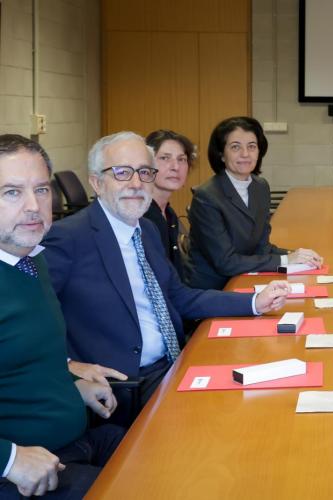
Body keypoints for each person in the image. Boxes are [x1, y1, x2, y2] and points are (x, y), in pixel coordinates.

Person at [42, 131, 290, 426]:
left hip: (173, 365)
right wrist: (69, 366)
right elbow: (31, 321)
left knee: (265, 403)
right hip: (124, 387)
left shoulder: (146, 230)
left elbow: (180, 296)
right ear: (96, 182)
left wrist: (254, 302)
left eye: (144, 172)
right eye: (122, 173)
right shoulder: (68, 237)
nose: (136, 183)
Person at [0, 134, 123, 498]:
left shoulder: (29, 258)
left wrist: (70, 385)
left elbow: (25, 357)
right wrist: (9, 460)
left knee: (173, 454)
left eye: (41, 190)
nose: (34, 206)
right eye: (12, 192)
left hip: (75, 440)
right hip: (26, 470)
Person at [185, 116, 323, 290]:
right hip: (214, 288)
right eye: (235, 147)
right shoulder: (206, 197)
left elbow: (261, 248)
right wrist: (286, 259)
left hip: (245, 277)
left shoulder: (260, 187)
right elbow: (226, 262)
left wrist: (297, 255)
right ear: (221, 154)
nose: (245, 154)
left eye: (251, 146)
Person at [143, 129, 195, 277]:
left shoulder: (169, 213)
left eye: (181, 159)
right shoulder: (141, 215)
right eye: (165, 158)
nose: (175, 167)